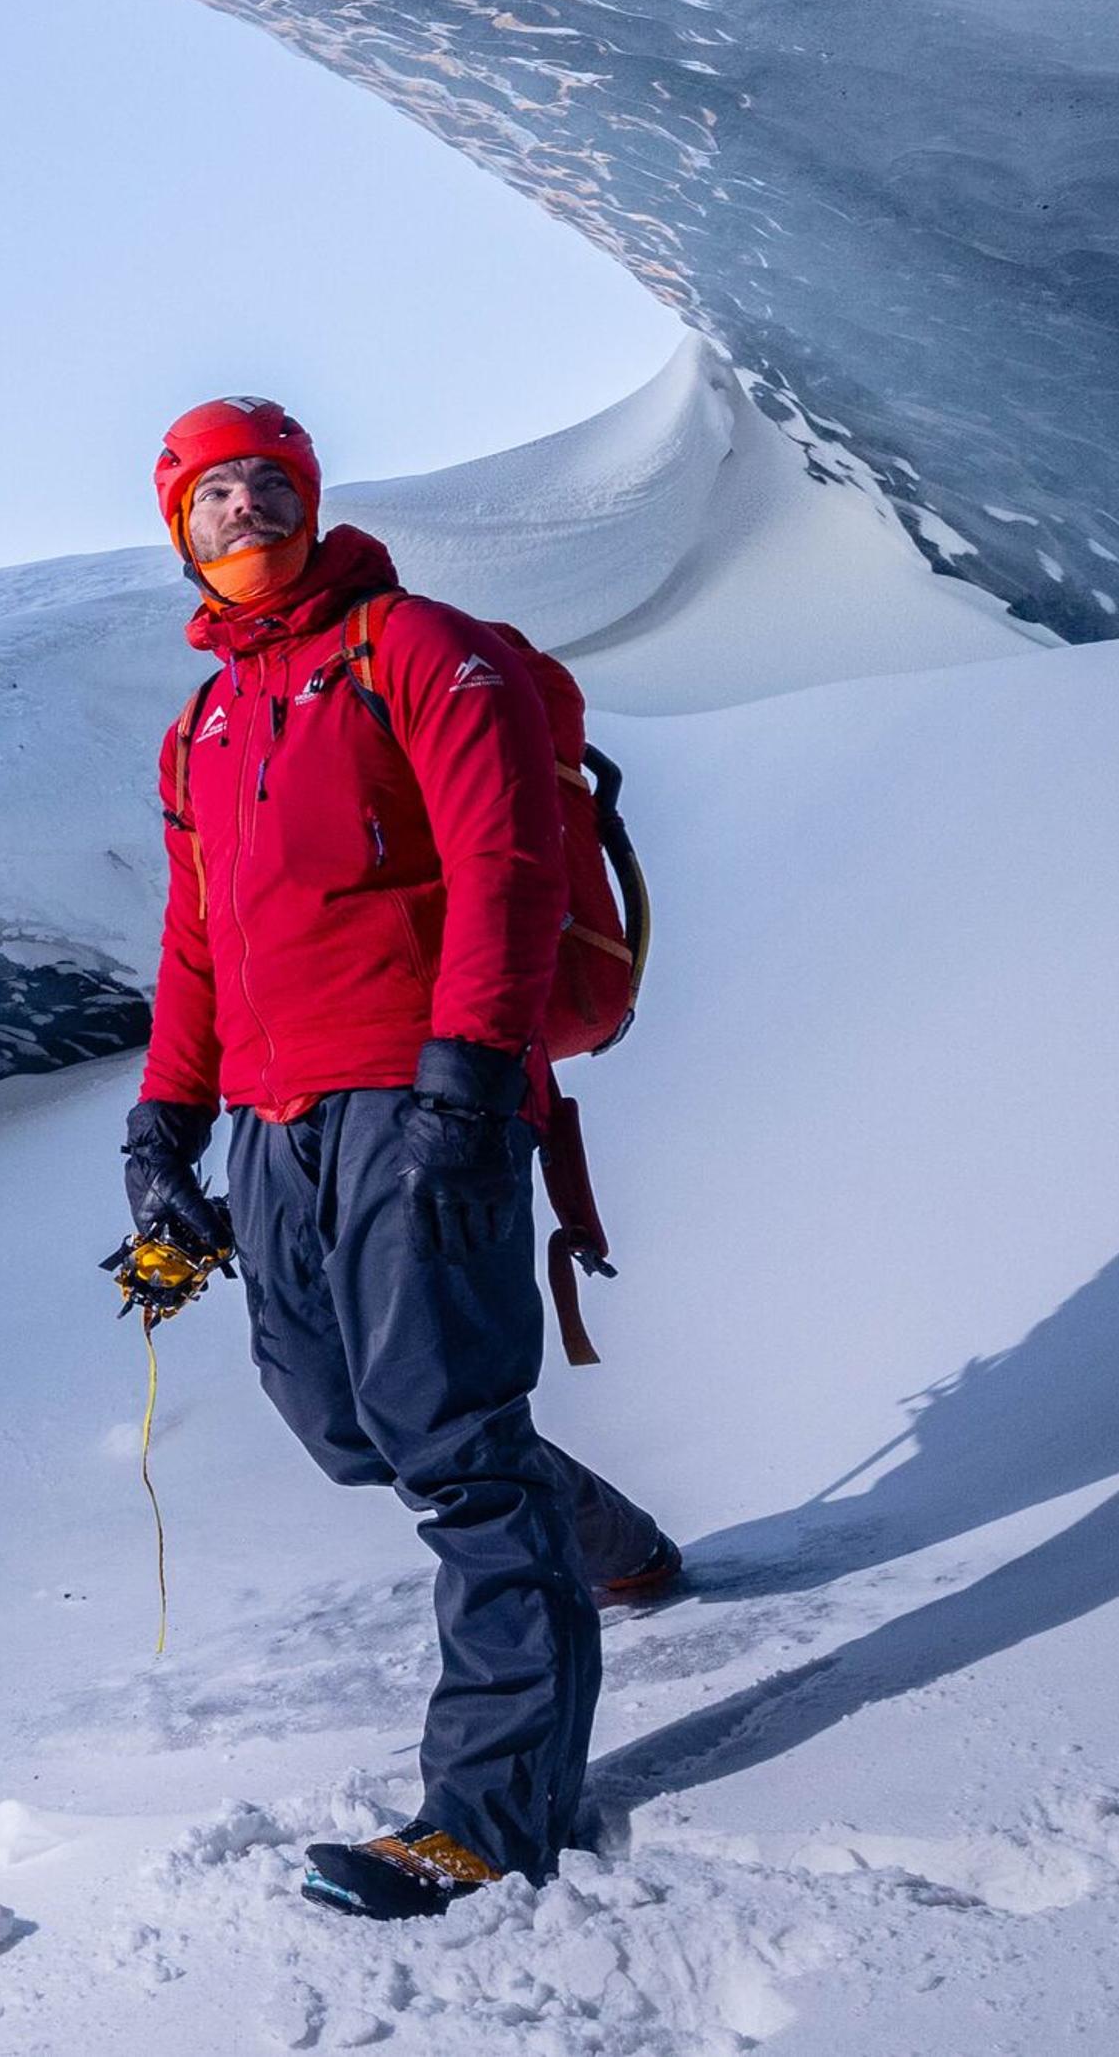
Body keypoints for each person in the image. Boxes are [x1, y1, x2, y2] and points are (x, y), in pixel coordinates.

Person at [121, 394, 681, 1923]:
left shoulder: (418, 648)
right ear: (180, 528)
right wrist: (165, 1126)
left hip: (414, 1094)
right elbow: (197, 943)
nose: (240, 508)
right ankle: (614, 1547)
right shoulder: (207, 723)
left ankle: (489, 1819)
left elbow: (502, 867)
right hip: (273, 1122)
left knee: (446, 1436)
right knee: (344, 1421)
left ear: (308, 500)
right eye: (211, 493)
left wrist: (467, 1080)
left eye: (264, 483)